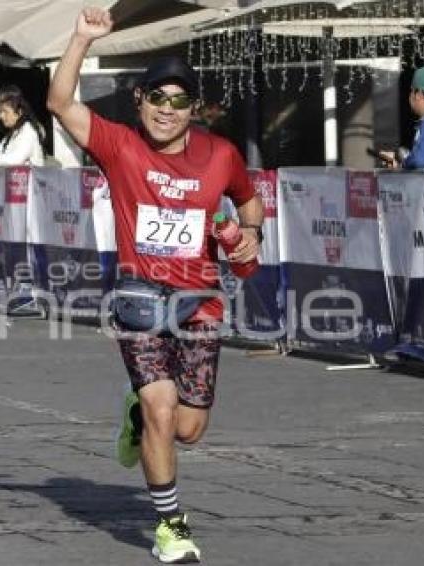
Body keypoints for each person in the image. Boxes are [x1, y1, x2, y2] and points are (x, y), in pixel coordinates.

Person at [47, 7, 264, 564]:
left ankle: (136, 414)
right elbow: (60, 104)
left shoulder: (220, 154)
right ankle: (171, 526)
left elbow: (248, 200)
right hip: (139, 299)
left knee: (188, 429)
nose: (166, 111)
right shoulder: (120, 145)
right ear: (139, 100)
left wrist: (252, 234)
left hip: (201, 303)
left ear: (194, 109)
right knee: (162, 409)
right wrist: (80, 40)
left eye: (178, 101)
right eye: (157, 99)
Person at [0, 85, 44, 167]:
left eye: (5, 111)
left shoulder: (28, 131)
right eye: (0, 112)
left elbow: (15, 159)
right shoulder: (10, 135)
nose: (1, 116)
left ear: (19, 112)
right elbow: (0, 157)